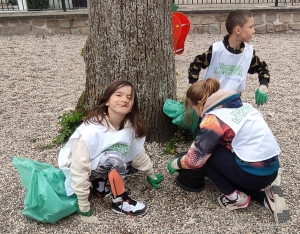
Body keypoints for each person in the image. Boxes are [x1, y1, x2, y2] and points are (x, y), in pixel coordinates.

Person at [167, 78, 290, 224]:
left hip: (253, 174)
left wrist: (176, 163)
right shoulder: (243, 106)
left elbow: (196, 159)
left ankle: (234, 198)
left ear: (200, 104)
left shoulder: (214, 119)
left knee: (206, 156)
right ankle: (263, 196)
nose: (196, 113)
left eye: (194, 109)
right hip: (271, 170)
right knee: (223, 158)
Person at [58, 80, 163, 222]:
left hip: (97, 165)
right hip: (77, 170)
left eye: (129, 97)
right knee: (116, 157)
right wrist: (83, 203)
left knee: (125, 160)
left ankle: (98, 184)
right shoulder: (91, 130)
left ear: (132, 106)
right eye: (118, 95)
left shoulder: (128, 126)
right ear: (107, 101)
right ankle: (119, 201)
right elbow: (78, 167)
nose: (124, 100)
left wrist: (150, 173)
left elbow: (136, 151)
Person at [188, 10, 269, 105]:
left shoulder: (248, 54)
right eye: (251, 27)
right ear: (238, 30)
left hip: (233, 101)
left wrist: (263, 86)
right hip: (210, 101)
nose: (254, 30)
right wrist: (193, 87)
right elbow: (195, 64)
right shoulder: (216, 50)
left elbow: (263, 68)